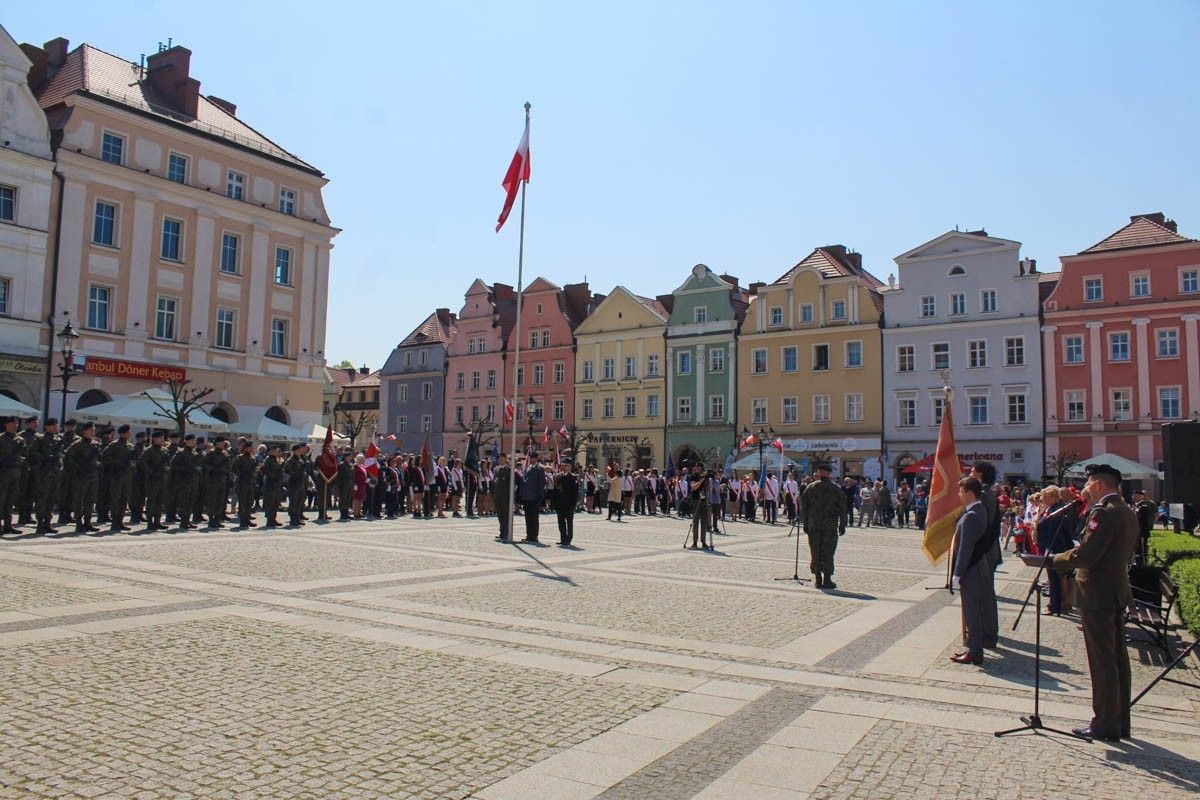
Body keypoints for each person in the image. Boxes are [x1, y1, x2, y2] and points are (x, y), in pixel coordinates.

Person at [1045, 463, 1139, 741]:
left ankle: (1104, 723)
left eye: (1086, 485)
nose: (1084, 491)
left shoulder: (1103, 512)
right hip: (1115, 591)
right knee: (1117, 660)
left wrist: (1055, 560)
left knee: (1103, 662)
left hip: (1097, 593)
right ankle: (1119, 720)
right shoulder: (1124, 510)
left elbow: (1088, 555)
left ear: (1098, 484)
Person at [949, 477, 991, 666]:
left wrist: (957, 574)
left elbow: (965, 548)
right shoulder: (979, 510)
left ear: (968, 492)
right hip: (978, 568)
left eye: (960, 491)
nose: (958, 495)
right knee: (975, 611)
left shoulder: (971, 515)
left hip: (972, 571)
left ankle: (975, 652)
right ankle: (974, 648)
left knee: (972, 612)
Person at [800, 462, 847, 588]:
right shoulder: (835, 488)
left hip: (815, 526)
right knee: (828, 551)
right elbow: (843, 508)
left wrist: (805, 523)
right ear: (829, 473)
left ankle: (819, 579)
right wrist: (843, 524)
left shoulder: (810, 487)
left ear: (818, 473)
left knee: (816, 551)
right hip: (829, 526)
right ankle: (826, 579)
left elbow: (804, 507)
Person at [970, 462, 1001, 650]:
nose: (970, 472)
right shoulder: (987, 491)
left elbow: (984, 526)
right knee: (985, 592)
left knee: (985, 594)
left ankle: (988, 634)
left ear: (979, 474)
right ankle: (986, 631)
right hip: (987, 549)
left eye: (972, 471)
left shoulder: (983, 493)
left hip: (985, 550)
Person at [66, 422, 101, 533]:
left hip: (93, 476)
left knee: (90, 500)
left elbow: (100, 458)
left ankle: (88, 522)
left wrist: (98, 465)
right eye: (91, 429)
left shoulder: (95, 444)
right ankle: (79, 523)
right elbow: (69, 459)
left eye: (94, 429)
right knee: (79, 500)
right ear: (84, 431)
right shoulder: (77, 444)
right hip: (81, 476)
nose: (93, 431)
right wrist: (79, 468)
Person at [30, 419, 64, 535]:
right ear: (47, 427)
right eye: (53, 425)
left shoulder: (58, 439)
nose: (56, 427)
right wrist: (44, 458)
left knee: (52, 498)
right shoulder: (40, 439)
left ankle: (47, 523)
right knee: (42, 498)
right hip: (44, 473)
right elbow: (33, 453)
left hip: (55, 473)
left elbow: (61, 454)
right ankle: (40, 523)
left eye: (56, 425)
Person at [0, 416, 26, 535]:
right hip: (3, 473)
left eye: (17, 423)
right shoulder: (1, 438)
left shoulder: (20, 440)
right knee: (1, 499)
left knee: (11, 500)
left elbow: (26, 455)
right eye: (13, 423)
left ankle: (8, 525)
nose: (16, 425)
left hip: (16, 473)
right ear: (7, 424)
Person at [202, 438, 231, 530]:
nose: (224, 444)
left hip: (222, 480)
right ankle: (211, 519)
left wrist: (226, 474)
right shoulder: (211, 453)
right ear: (217, 443)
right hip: (212, 480)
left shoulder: (225, 453)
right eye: (222, 442)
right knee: (212, 500)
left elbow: (228, 466)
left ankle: (217, 519)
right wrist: (213, 469)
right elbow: (205, 465)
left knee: (220, 500)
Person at [519, 456, 546, 542]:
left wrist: (541, 496)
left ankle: (534, 536)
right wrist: (522, 495)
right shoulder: (527, 468)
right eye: (530, 458)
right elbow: (524, 482)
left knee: (534, 518)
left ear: (536, 459)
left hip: (535, 497)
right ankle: (529, 535)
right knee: (528, 517)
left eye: (533, 458)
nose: (531, 459)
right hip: (527, 497)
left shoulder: (539, 469)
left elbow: (541, 483)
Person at [232, 440, 258, 528]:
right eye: (248, 447)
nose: (250, 449)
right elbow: (234, 469)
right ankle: (243, 520)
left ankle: (247, 519)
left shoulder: (253, 458)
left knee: (249, 502)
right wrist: (243, 473)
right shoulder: (240, 458)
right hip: (242, 482)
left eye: (251, 447)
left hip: (251, 482)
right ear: (245, 448)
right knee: (242, 502)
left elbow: (255, 470)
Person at [554, 463, 579, 547]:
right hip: (560, 503)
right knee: (561, 522)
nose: (564, 467)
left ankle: (568, 539)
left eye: (566, 465)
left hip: (569, 503)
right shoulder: (559, 476)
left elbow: (575, 493)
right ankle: (563, 538)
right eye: (563, 465)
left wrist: (573, 504)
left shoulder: (573, 477)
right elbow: (556, 490)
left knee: (569, 522)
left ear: (570, 467)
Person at [284, 444, 308, 527]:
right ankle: (293, 519)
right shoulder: (290, 460)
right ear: (294, 451)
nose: (299, 452)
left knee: (300, 501)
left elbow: (302, 469)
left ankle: (297, 517)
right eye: (297, 450)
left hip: (300, 483)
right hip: (293, 483)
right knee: (293, 501)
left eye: (299, 450)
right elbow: (287, 470)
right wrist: (295, 474)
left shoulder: (300, 460)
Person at [688, 464, 711, 550]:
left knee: (704, 522)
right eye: (697, 468)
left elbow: (708, 488)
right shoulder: (693, 476)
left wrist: (707, 480)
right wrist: (701, 480)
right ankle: (694, 541)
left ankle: (703, 541)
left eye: (700, 469)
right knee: (696, 522)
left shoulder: (705, 478)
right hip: (695, 501)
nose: (698, 470)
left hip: (704, 501)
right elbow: (694, 487)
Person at [261, 445, 284, 528]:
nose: (276, 452)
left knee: (275, 502)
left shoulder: (278, 460)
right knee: (270, 502)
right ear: (270, 451)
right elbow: (266, 471)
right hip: (270, 483)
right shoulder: (268, 460)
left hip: (277, 484)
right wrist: (274, 476)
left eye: (277, 450)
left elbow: (280, 470)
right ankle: (269, 520)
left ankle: (273, 518)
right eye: (274, 450)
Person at [1132, 489, 1156, 564]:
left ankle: (1143, 565)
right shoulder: (1136, 506)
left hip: (1142, 532)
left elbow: (1137, 518)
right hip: (1137, 532)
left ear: (1140, 497)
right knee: (1137, 550)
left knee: (1142, 551)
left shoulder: (1143, 506)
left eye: (1135, 496)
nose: (1133, 497)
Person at [493, 453, 513, 542]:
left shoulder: (509, 470)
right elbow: (494, 481)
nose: (500, 460)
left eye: (502, 458)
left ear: (505, 459)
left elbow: (510, 485)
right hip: (497, 496)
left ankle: (505, 533)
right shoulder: (496, 469)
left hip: (505, 496)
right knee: (500, 515)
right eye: (499, 459)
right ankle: (501, 532)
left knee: (505, 515)